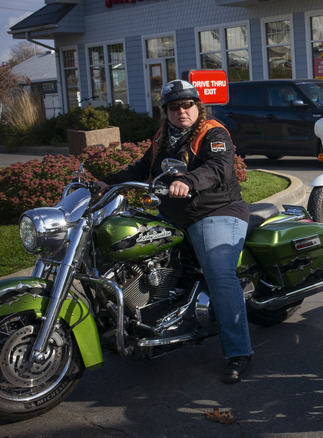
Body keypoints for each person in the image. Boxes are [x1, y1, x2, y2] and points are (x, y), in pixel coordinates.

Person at [100, 79, 255, 383]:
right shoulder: (164, 137)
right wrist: (107, 183)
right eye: (174, 107)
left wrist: (189, 181)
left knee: (218, 272)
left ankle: (239, 352)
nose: (182, 111)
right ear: (166, 112)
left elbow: (218, 168)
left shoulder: (214, 132)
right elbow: (141, 167)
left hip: (216, 212)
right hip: (175, 216)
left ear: (198, 106)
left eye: (187, 105)